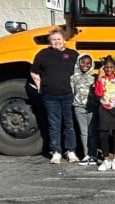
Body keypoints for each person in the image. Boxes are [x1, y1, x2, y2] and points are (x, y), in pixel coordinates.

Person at [30, 27, 80, 164]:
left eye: (58, 39)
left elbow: (80, 73)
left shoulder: (73, 54)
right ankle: (56, 152)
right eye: (53, 40)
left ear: (64, 40)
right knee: (54, 124)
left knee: (69, 124)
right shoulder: (43, 54)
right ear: (49, 41)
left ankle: (71, 151)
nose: (56, 42)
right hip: (50, 96)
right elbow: (34, 72)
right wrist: (39, 86)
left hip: (68, 95)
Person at [95, 56, 115, 171]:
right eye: (106, 67)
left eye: (111, 67)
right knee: (103, 135)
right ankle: (105, 159)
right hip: (104, 108)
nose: (109, 69)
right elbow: (98, 93)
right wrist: (99, 78)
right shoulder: (101, 78)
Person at [69, 53, 99, 165]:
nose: (85, 65)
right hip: (78, 107)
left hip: (92, 107)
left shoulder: (95, 77)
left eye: (88, 63)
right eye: (82, 62)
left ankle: (93, 155)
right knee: (83, 132)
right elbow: (72, 91)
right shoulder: (73, 77)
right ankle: (86, 155)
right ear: (78, 63)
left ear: (92, 64)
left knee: (92, 131)